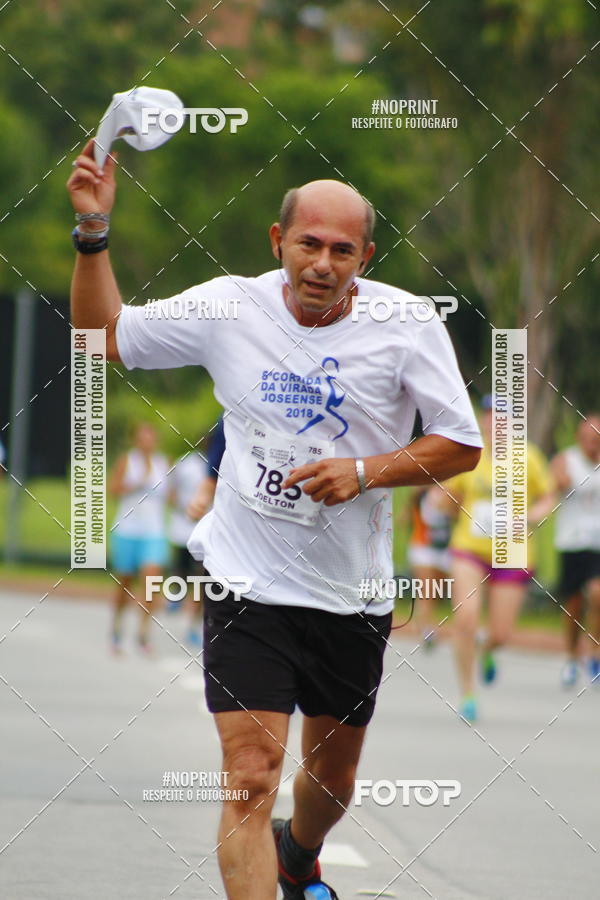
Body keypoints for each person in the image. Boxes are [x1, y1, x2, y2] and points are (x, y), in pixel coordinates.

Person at [67, 141, 482, 900]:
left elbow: (459, 444)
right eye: (309, 244)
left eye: (342, 250)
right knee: (251, 777)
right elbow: (102, 339)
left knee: (333, 778)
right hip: (243, 579)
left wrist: (364, 472)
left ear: (366, 255)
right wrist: (93, 235)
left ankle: (300, 854)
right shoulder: (230, 305)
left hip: (349, 594)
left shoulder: (406, 322)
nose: (323, 264)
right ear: (277, 242)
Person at [428, 395, 555, 722]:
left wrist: (528, 516)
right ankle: (468, 693)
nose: (492, 422)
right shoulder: (470, 456)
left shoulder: (529, 458)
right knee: (466, 617)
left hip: (512, 553)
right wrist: (442, 503)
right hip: (469, 548)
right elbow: (447, 496)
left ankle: (488, 650)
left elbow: (548, 497)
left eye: (501, 417)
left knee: (501, 634)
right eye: (488, 415)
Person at [108, 422, 170, 654]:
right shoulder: (127, 461)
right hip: (127, 530)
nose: (147, 442)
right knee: (124, 583)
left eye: (151, 437)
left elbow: (170, 496)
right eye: (143, 437)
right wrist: (135, 484)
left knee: (152, 583)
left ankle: (143, 633)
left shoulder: (163, 463)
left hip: (153, 532)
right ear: (136, 440)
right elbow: (112, 490)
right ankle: (116, 628)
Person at [551, 415, 600, 687]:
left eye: (597, 440)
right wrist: (560, 481)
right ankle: (571, 656)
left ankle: (595, 652)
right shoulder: (566, 460)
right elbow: (552, 487)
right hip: (571, 542)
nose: (592, 446)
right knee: (573, 605)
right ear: (580, 440)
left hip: (598, 545)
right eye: (589, 440)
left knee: (597, 593)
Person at [169, 417, 226, 645]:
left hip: (208, 535)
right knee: (181, 575)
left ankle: (193, 625)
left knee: (201, 581)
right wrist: (185, 508)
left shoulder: (224, 466)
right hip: (182, 530)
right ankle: (175, 598)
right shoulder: (185, 463)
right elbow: (170, 493)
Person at [405, 485, 452, 648]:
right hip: (423, 547)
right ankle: (425, 629)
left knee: (436, 591)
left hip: (444, 550)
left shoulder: (452, 489)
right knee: (426, 590)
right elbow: (409, 514)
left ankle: (427, 623)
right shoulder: (420, 490)